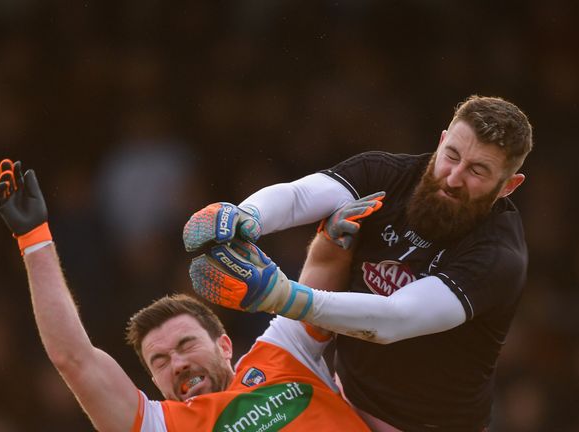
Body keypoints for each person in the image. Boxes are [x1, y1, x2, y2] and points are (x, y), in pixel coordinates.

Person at [184, 95, 533, 431]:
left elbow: (394, 319)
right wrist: (247, 215)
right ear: (441, 141)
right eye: (451, 155)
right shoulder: (387, 174)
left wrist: (282, 296)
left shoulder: (499, 255)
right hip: (342, 402)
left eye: (477, 171)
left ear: (508, 186)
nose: (454, 178)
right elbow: (300, 196)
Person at [0, 158, 372, 431]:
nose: (176, 364)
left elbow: (320, 277)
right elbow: (74, 359)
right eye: (159, 361)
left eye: (186, 344)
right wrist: (34, 240)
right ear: (156, 384)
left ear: (225, 345)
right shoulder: (163, 426)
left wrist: (331, 239)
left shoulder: (283, 353)